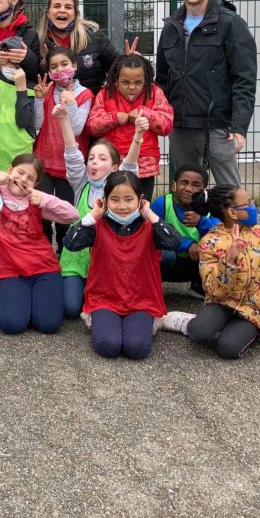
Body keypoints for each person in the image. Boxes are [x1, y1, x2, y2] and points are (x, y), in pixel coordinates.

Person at [155, 0, 257, 186]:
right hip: (181, 126)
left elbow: (245, 80)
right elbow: (162, 80)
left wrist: (239, 126)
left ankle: (239, 224)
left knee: (229, 195)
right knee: (186, 193)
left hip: (219, 126)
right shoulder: (171, 26)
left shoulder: (231, 23)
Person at [0, 155, 80, 335]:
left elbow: (73, 215)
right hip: (9, 270)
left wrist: (44, 198)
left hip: (43, 267)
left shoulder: (36, 200)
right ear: (10, 169)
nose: (23, 180)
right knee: (12, 325)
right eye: (20, 172)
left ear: (35, 185)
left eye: (30, 178)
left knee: (49, 325)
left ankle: (31, 298)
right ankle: (9, 296)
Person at [63, 171, 183, 360]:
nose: (122, 206)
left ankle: (155, 321)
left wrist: (149, 214)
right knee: (108, 346)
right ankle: (99, 319)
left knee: (136, 348)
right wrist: (93, 215)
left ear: (140, 199)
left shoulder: (150, 225)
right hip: (105, 298)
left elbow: (174, 242)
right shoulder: (97, 224)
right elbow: (71, 243)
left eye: (129, 199)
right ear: (105, 200)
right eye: (115, 199)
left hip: (141, 299)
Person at [163, 184, 260, 360]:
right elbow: (213, 289)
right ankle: (187, 321)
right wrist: (229, 259)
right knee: (198, 332)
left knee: (228, 349)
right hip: (223, 302)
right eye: (248, 203)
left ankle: (243, 329)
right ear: (232, 213)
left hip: (254, 308)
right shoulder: (210, 242)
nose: (253, 206)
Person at [55, 102, 141, 320]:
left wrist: (138, 134)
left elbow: (130, 165)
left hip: (106, 263)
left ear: (114, 168)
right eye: (91, 158)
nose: (94, 162)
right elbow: (72, 153)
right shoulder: (81, 182)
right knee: (70, 309)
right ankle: (72, 286)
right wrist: (64, 119)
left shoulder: (118, 187)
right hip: (76, 259)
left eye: (102, 159)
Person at [87, 53, 173, 200]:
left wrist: (144, 112)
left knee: (141, 207)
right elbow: (92, 126)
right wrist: (114, 117)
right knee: (113, 205)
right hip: (113, 164)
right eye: (125, 82)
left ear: (146, 79)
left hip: (145, 165)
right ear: (116, 79)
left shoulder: (154, 92)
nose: (132, 87)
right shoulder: (106, 94)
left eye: (138, 82)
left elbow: (167, 125)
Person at [32, 47, 93, 246]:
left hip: (70, 166)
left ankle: (65, 253)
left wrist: (71, 102)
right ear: (48, 72)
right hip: (44, 161)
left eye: (65, 64)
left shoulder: (85, 94)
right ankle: (44, 252)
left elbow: (76, 129)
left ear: (74, 66)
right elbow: (37, 124)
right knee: (41, 211)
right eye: (54, 67)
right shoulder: (48, 91)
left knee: (65, 213)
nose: (60, 70)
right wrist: (39, 100)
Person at [151, 166, 218, 298]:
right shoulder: (162, 204)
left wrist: (201, 222)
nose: (188, 189)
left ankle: (200, 286)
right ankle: (153, 287)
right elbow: (153, 235)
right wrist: (186, 244)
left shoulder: (212, 207)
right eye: (184, 183)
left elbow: (221, 237)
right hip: (171, 262)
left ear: (204, 190)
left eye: (196, 185)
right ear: (174, 186)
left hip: (198, 263)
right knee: (164, 254)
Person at [35, 0, 116, 94]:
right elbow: (35, 81)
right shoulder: (38, 42)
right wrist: (44, 66)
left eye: (68, 7)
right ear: (48, 13)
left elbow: (116, 69)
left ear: (75, 14)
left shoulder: (95, 36)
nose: (62, 10)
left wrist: (129, 61)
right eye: (56, 6)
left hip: (93, 107)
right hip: (56, 108)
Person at [0, 43, 37, 169]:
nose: (11, 66)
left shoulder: (31, 87)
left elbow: (23, 122)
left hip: (19, 156)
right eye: (6, 61)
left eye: (15, 62)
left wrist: (21, 88)